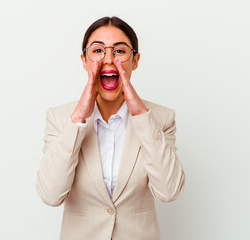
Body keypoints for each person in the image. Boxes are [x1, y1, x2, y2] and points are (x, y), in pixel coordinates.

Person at [36, 16, 185, 240]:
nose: (108, 59)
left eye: (119, 51)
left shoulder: (161, 118)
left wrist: (142, 117)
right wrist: (77, 120)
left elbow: (169, 191)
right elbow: (51, 195)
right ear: (84, 60)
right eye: (97, 51)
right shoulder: (59, 118)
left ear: (135, 60)